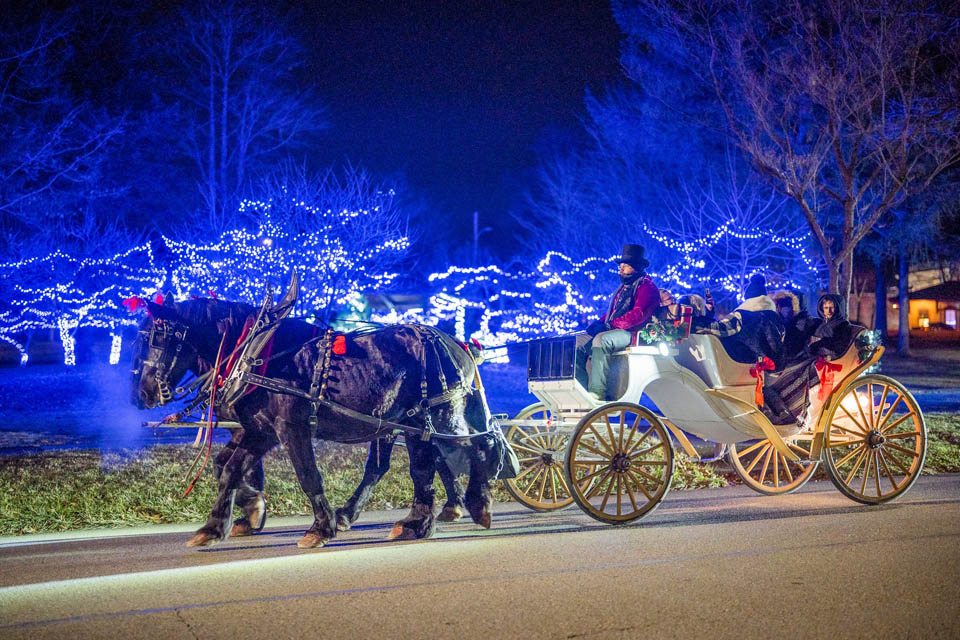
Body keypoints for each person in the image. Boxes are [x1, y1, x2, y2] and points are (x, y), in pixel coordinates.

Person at [582, 244, 660, 401]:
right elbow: (612, 313)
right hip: (618, 329)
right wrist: (597, 324)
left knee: (601, 340)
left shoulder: (647, 286)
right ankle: (582, 387)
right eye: (621, 266)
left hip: (634, 333)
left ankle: (597, 392)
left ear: (636, 268)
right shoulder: (623, 288)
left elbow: (638, 315)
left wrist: (610, 325)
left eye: (625, 266)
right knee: (579, 341)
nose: (621, 270)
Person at [693, 274, 785, 369]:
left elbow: (719, 329)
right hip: (771, 366)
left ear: (748, 299)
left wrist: (695, 323)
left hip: (744, 366)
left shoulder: (742, 315)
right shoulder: (776, 317)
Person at [807, 293, 858, 359]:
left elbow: (838, 345)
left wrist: (819, 343)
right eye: (826, 308)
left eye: (832, 308)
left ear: (838, 308)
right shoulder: (821, 323)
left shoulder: (842, 324)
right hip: (813, 354)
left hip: (827, 358)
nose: (829, 311)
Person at [773, 291, 818, 363]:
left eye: (789, 306)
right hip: (786, 359)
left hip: (798, 359)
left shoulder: (802, 321)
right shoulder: (780, 321)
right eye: (781, 306)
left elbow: (796, 342)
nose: (785, 309)